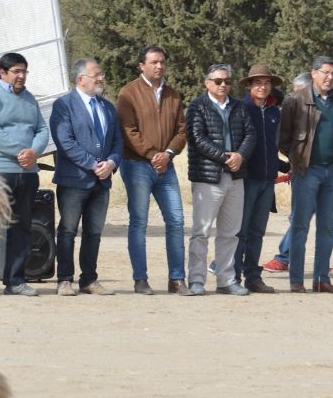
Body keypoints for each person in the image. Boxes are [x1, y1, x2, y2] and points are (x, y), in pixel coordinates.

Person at [116, 46, 192, 296]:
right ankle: (140, 279)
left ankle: (177, 279)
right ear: (142, 66)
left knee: (177, 221)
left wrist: (168, 154)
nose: (159, 66)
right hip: (137, 165)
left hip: (166, 167)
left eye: (162, 62)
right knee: (139, 222)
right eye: (154, 62)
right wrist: (151, 155)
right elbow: (128, 131)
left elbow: (182, 130)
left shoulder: (173, 95)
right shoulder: (128, 92)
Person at [0, 53, 48, 297]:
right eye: (16, 71)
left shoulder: (29, 99)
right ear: (2, 72)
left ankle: (15, 280)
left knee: (20, 226)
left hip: (26, 173)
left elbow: (42, 129)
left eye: (24, 71)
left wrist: (34, 152)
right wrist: (19, 152)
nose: (21, 76)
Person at [50, 58, 123, 296]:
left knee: (94, 232)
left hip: (102, 181)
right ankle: (64, 280)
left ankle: (89, 279)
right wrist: (93, 164)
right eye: (97, 75)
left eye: (101, 74)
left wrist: (111, 163)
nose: (101, 78)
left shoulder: (107, 107)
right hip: (74, 180)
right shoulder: (64, 106)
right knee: (68, 230)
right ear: (81, 79)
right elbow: (65, 142)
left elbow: (117, 141)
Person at [263, 72, 333, 274]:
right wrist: (289, 166)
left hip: (315, 173)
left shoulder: (322, 113)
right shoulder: (298, 112)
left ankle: (283, 258)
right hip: (303, 171)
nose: (295, 97)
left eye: (298, 91)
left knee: (301, 217)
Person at [279, 56, 333, 294]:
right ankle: (296, 280)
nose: (330, 77)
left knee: (327, 227)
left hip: (331, 172)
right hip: (306, 171)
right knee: (300, 226)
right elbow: (283, 139)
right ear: (314, 73)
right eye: (325, 72)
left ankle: (322, 279)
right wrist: (298, 160)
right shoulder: (295, 100)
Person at [186, 64, 256, 296]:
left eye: (226, 81)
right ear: (207, 83)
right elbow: (197, 138)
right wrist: (226, 158)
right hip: (208, 178)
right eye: (218, 81)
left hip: (235, 178)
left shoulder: (239, 107)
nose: (223, 85)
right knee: (202, 231)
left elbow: (250, 134)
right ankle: (196, 279)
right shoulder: (198, 106)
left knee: (230, 232)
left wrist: (241, 155)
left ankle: (226, 279)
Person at [232, 65, 283, 293]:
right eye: (258, 82)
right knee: (240, 231)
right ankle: (233, 276)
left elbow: (272, 147)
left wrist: (283, 165)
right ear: (250, 85)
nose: (263, 87)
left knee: (257, 232)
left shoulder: (274, 112)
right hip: (246, 179)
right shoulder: (241, 109)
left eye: (267, 83)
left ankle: (253, 276)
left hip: (267, 180)